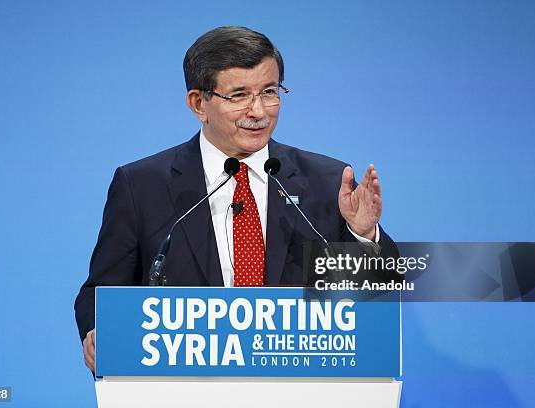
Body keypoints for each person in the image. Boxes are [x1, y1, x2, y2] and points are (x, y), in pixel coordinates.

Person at [75, 26, 399, 373]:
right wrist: (98, 330)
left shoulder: (326, 181)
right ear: (199, 103)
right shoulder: (142, 185)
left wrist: (363, 236)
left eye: (270, 92)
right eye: (240, 95)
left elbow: (374, 296)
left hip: (298, 383)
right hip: (184, 385)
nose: (259, 111)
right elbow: (101, 292)